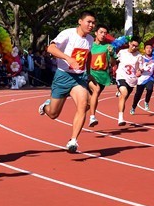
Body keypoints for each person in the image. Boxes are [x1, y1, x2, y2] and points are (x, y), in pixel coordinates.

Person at [38, 10, 96, 153]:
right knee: (53, 114)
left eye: (93, 23)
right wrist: (68, 58)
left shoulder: (90, 39)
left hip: (79, 77)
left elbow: (87, 56)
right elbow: (50, 48)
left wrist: (88, 73)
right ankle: (46, 106)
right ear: (80, 21)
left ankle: (73, 140)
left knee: (83, 104)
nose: (91, 25)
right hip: (63, 76)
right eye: (88, 22)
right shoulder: (68, 34)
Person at [85, 26, 114, 128]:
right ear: (96, 33)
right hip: (91, 74)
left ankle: (80, 116)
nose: (103, 35)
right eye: (101, 32)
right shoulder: (89, 45)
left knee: (88, 105)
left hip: (103, 76)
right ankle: (92, 117)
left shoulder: (108, 47)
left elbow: (113, 63)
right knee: (96, 90)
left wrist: (111, 54)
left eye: (105, 33)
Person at [114, 37, 141, 123]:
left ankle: (119, 91)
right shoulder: (122, 52)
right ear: (129, 43)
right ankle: (120, 118)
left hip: (132, 80)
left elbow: (138, 68)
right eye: (133, 45)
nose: (134, 47)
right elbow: (115, 61)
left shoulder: (139, 56)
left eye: (136, 46)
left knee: (124, 97)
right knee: (124, 93)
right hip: (121, 76)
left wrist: (139, 72)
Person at [131, 42, 154, 113]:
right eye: (147, 48)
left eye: (150, 48)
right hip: (141, 78)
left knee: (150, 89)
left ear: (152, 49)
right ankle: (133, 107)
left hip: (150, 77)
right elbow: (138, 68)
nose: (149, 50)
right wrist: (142, 68)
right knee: (138, 95)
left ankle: (146, 102)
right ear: (144, 50)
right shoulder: (141, 58)